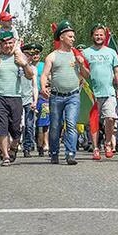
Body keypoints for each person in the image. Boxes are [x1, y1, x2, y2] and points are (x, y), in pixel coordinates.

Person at [40, 20, 90, 165]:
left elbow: (86, 75)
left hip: (73, 95)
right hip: (56, 96)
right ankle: (54, 152)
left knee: (71, 124)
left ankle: (70, 153)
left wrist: (81, 64)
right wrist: (43, 86)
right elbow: (44, 74)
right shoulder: (52, 56)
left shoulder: (77, 55)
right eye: (70, 36)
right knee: (55, 126)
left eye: (73, 37)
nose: (73, 39)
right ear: (61, 37)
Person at [0, 30, 34, 166]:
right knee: (1, 127)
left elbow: (29, 75)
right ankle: (5, 155)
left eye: (10, 43)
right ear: (0, 44)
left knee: (16, 128)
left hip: (16, 96)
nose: (8, 46)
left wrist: (24, 64)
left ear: (14, 43)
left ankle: (14, 145)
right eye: (5, 43)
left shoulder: (19, 56)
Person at [84, 25, 118, 160]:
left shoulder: (111, 52)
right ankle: (95, 147)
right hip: (92, 93)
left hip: (109, 92)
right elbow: (81, 73)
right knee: (93, 121)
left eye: (101, 35)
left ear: (105, 36)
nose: (99, 37)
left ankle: (107, 143)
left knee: (111, 118)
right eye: (96, 35)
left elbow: (117, 71)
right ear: (92, 36)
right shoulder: (86, 52)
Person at [20, 42, 44, 157]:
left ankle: (27, 147)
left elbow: (34, 86)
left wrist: (35, 100)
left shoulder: (33, 68)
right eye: (27, 54)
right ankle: (14, 144)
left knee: (29, 124)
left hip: (28, 99)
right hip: (17, 98)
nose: (29, 57)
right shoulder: (17, 66)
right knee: (18, 125)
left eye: (31, 54)